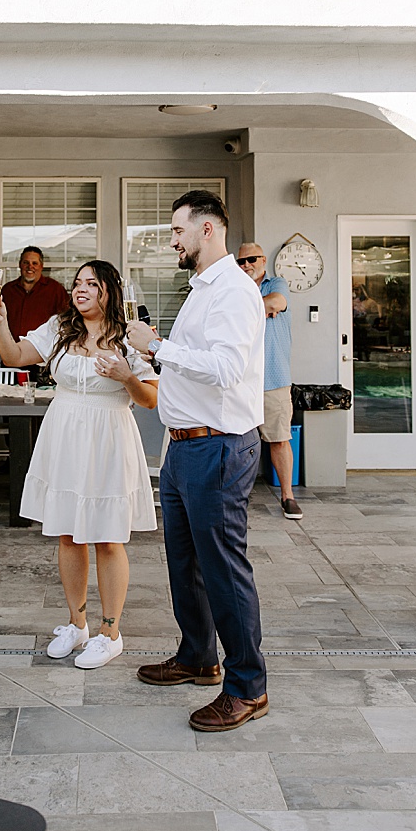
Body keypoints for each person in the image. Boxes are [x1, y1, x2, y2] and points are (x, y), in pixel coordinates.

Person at [127, 190, 267, 733]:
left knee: (224, 570)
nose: (172, 241)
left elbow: (227, 368)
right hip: (184, 445)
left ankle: (247, 687)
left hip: (219, 446)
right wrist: (139, 355)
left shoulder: (233, 290)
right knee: (184, 566)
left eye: (177, 231)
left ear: (208, 230)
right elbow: (190, 367)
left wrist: (159, 345)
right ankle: (198, 657)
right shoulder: (201, 290)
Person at [0, 260, 158, 669]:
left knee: (108, 538)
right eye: (77, 283)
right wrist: (2, 323)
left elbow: (151, 398)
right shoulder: (59, 329)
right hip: (64, 433)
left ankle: (111, 632)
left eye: (91, 284)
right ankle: (76, 625)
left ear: (109, 291)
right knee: (67, 534)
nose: (80, 290)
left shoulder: (129, 335)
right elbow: (14, 357)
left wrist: (126, 376)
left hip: (109, 438)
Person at [238, 243, 301, 521]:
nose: (246, 265)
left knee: (279, 438)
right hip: (240, 379)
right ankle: (238, 496)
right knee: (238, 441)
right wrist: (259, 310)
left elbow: (277, 302)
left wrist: (253, 309)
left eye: (251, 259)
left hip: (274, 378)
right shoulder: (237, 288)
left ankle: (288, 496)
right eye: (241, 261)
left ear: (263, 260)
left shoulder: (277, 282)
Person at [0, 247, 69, 369]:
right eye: (26, 262)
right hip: (11, 357)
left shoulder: (56, 290)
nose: (30, 267)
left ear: (41, 266)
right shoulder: (7, 290)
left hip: (43, 360)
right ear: (20, 265)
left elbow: (67, 324)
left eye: (34, 263)